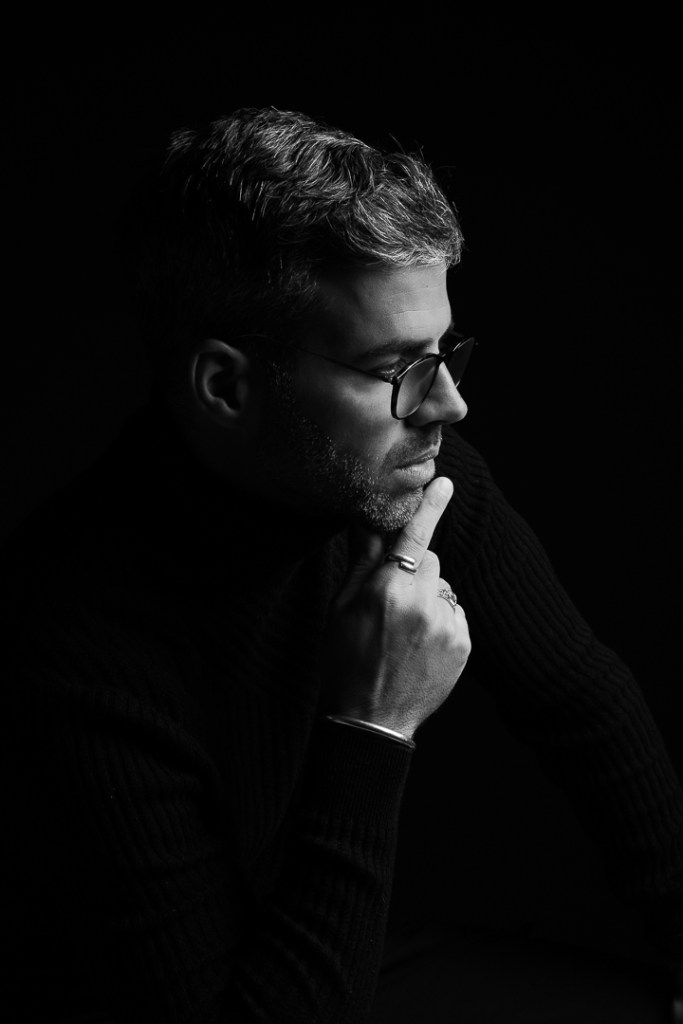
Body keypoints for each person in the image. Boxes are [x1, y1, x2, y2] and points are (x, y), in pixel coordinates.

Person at [4, 106, 681, 1022]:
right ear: (227, 385)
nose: (447, 404)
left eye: (443, 353)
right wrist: (372, 729)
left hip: (341, 960)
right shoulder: (68, 655)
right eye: (395, 367)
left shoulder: (397, 478)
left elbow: (582, 709)